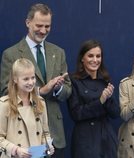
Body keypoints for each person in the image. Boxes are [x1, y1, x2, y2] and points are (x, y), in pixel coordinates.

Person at [0, 3, 71, 158]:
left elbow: (68, 90)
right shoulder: (10, 54)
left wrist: (58, 88)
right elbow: (5, 91)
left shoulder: (58, 52)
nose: (43, 31)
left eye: (48, 26)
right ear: (28, 23)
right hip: (23, 139)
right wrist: (40, 91)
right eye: (39, 25)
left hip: (54, 138)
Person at [67, 39, 120, 158]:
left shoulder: (105, 80)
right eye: (90, 56)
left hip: (106, 139)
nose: (95, 60)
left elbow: (115, 113)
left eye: (98, 56)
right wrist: (100, 101)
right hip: (85, 140)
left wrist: (109, 99)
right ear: (82, 58)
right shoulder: (74, 80)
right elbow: (76, 114)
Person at [0, 58, 54, 158]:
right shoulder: (4, 104)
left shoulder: (40, 102)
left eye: (33, 77)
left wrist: (48, 146)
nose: (31, 82)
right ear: (15, 79)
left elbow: (45, 133)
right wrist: (16, 150)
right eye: (26, 79)